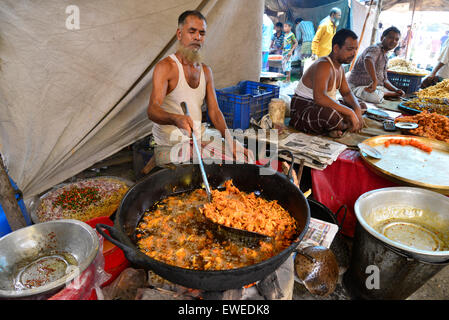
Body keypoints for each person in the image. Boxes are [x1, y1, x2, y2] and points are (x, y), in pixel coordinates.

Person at [147, 10, 253, 167]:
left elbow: (215, 112)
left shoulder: (205, 71)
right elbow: (152, 110)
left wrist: (231, 141)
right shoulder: (166, 67)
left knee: (245, 158)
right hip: (171, 139)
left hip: (198, 136)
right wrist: (176, 119)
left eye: (202, 33)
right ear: (179, 34)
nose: (197, 37)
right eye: (192, 31)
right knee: (219, 165)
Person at [289, 29, 366, 138]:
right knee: (330, 115)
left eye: (355, 49)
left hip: (323, 106)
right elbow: (320, 98)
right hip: (304, 108)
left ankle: (339, 126)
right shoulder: (324, 65)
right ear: (335, 48)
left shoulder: (340, 68)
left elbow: (347, 93)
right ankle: (341, 125)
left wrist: (356, 110)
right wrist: (349, 113)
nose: (353, 53)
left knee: (361, 105)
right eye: (349, 49)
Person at [347, 26, 405, 104]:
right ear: (382, 38)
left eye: (396, 39)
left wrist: (396, 89)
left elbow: (385, 80)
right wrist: (374, 81)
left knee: (380, 92)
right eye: (390, 38)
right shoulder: (375, 49)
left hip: (375, 88)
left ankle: (386, 93)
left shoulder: (385, 56)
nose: (393, 41)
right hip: (358, 87)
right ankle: (386, 94)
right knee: (374, 96)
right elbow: (368, 59)